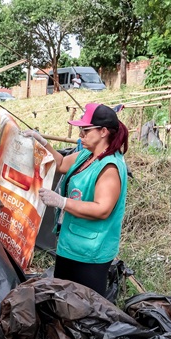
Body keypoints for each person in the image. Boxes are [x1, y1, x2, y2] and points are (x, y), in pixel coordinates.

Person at [24, 103, 129, 297]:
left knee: (86, 307)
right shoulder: (87, 156)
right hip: (71, 243)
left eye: (86, 130)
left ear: (103, 131)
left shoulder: (110, 168)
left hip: (91, 252)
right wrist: (42, 143)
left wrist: (62, 202)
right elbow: (62, 163)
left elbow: (102, 209)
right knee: (64, 299)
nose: (81, 134)